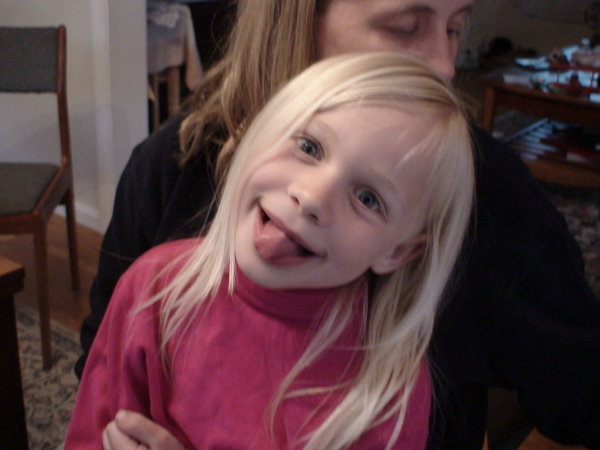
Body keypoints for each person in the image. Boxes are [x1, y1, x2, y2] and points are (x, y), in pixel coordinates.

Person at [75, 1, 600, 448]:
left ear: (403, 250)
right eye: (405, 26)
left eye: (455, 27)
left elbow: (581, 398)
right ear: (300, 16)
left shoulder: (489, 203)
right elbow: (101, 381)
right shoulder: (170, 176)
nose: (445, 67)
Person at [67, 52, 475, 449]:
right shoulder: (153, 287)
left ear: (398, 252)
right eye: (309, 147)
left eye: (368, 199)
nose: (311, 197)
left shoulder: (387, 392)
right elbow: (92, 430)